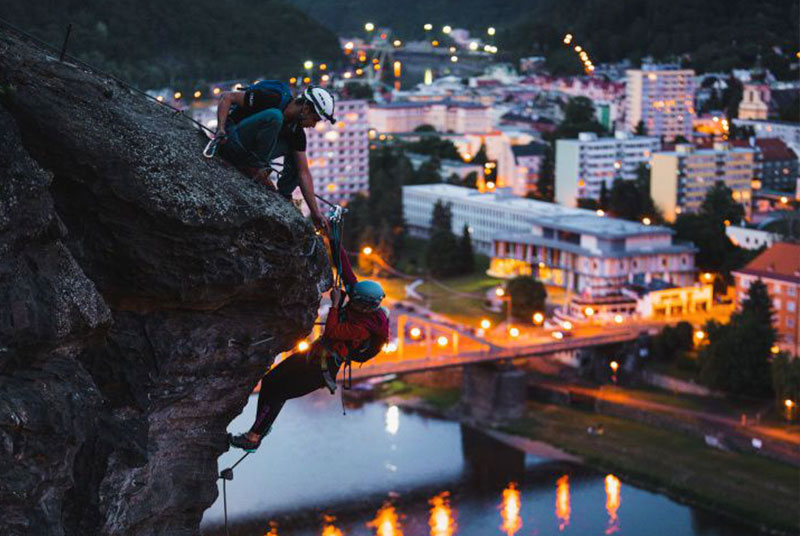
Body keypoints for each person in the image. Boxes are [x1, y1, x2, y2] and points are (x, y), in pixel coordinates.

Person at [229, 243, 390, 452]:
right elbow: (345, 268)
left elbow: (333, 332)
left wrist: (335, 305)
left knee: (279, 394)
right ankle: (262, 425)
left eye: (355, 302)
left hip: (323, 369)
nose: (352, 302)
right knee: (269, 381)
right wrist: (333, 239)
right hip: (315, 353)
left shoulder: (365, 328)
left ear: (366, 306)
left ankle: (253, 437)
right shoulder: (359, 298)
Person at [214, 81, 334, 234]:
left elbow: (303, 172)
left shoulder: (296, 131)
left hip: (247, 153)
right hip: (233, 141)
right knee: (275, 116)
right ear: (305, 109)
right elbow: (227, 97)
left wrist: (316, 213)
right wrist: (221, 129)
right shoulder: (272, 99)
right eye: (315, 119)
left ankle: (284, 194)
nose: (313, 125)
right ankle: (256, 167)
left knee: (297, 155)